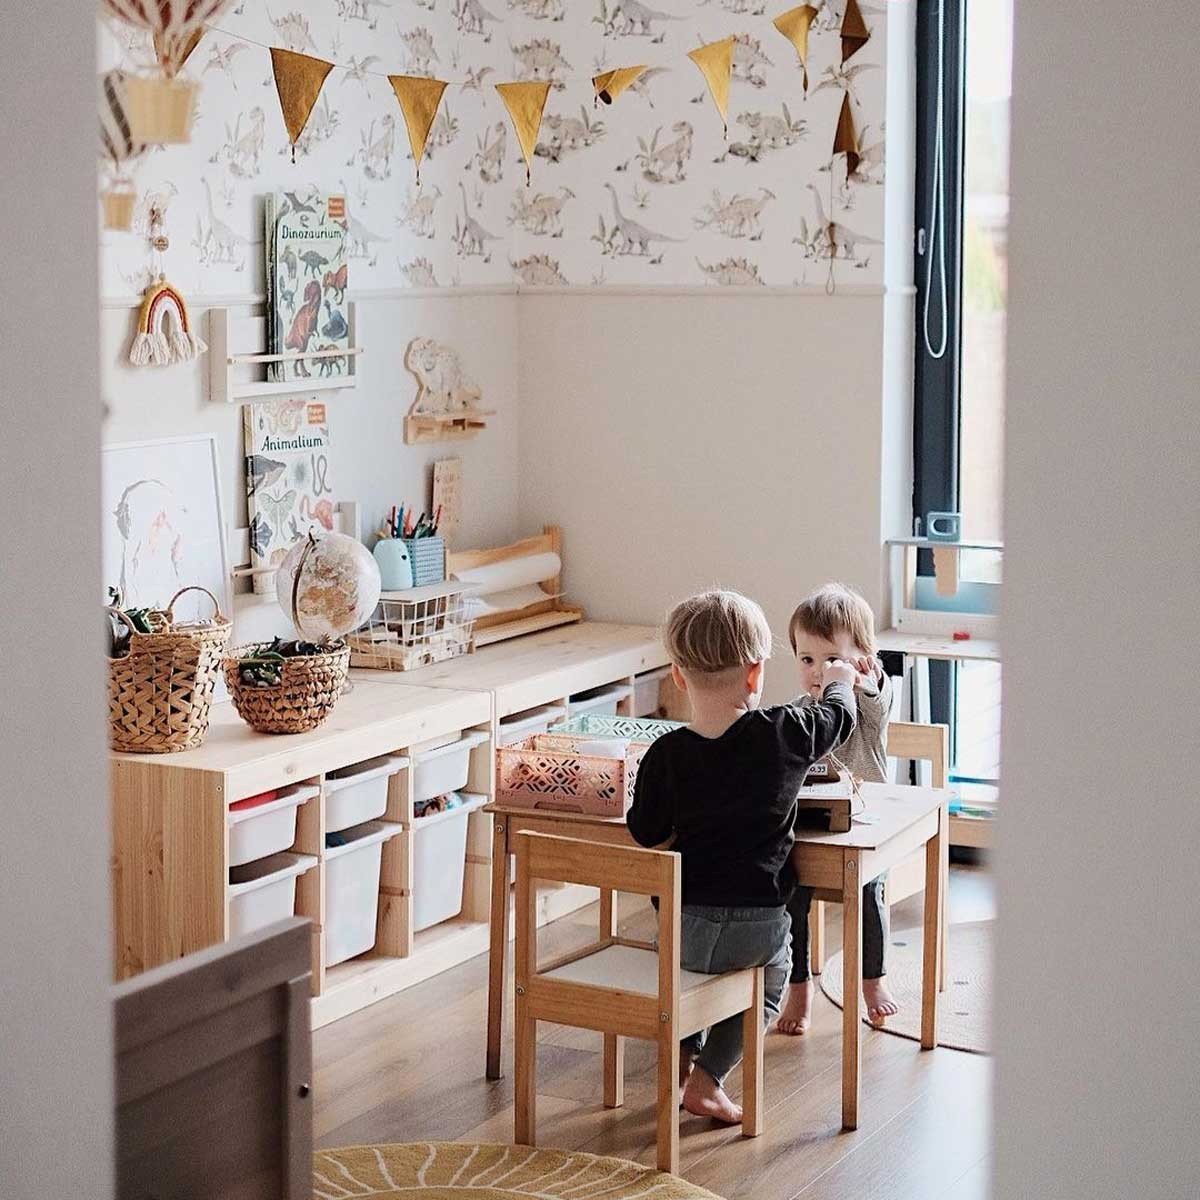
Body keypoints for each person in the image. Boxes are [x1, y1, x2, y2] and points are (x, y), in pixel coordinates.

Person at [628, 589, 857, 1122]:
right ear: (755, 674)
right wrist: (840, 681)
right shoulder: (784, 733)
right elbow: (837, 720)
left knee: (690, 976)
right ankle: (707, 1080)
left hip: (681, 929)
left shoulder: (666, 753)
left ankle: (683, 1054)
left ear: (678, 676)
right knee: (767, 986)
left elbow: (645, 832)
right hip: (756, 927)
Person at [777, 583, 898, 1036]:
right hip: (814, 827)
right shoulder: (801, 711)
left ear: (862, 657)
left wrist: (863, 680)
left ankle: (872, 983)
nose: (817, 672)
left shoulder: (868, 703)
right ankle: (799, 986)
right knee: (791, 894)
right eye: (806, 660)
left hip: (866, 826)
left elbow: (878, 701)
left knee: (868, 897)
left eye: (830, 660)